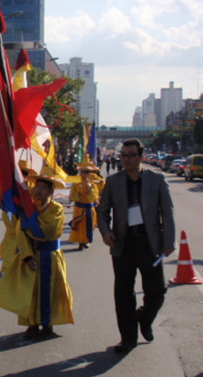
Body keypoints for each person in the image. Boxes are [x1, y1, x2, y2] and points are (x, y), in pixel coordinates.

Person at [97, 138, 175, 354]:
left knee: (156, 292)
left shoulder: (156, 180)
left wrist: (168, 242)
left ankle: (144, 317)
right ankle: (127, 338)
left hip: (150, 244)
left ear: (141, 156)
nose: (127, 159)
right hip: (122, 244)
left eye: (131, 155)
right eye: (123, 155)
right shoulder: (113, 182)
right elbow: (102, 212)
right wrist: (106, 231)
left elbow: (167, 212)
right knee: (123, 292)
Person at [0, 166, 74, 337]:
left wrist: (30, 223)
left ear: (51, 192)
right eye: (37, 187)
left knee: (51, 291)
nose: (39, 191)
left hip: (50, 256)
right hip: (32, 255)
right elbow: (20, 232)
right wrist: (27, 256)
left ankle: (48, 323)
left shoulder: (56, 209)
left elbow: (49, 231)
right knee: (31, 291)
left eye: (44, 188)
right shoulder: (28, 209)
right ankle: (32, 323)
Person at [68, 160, 100, 250]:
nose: (83, 174)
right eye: (82, 172)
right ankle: (80, 242)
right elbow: (73, 195)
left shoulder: (93, 185)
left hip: (89, 208)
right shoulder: (76, 184)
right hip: (79, 208)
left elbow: (94, 197)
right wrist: (76, 196)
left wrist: (88, 186)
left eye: (86, 172)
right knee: (79, 226)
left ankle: (87, 240)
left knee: (88, 225)